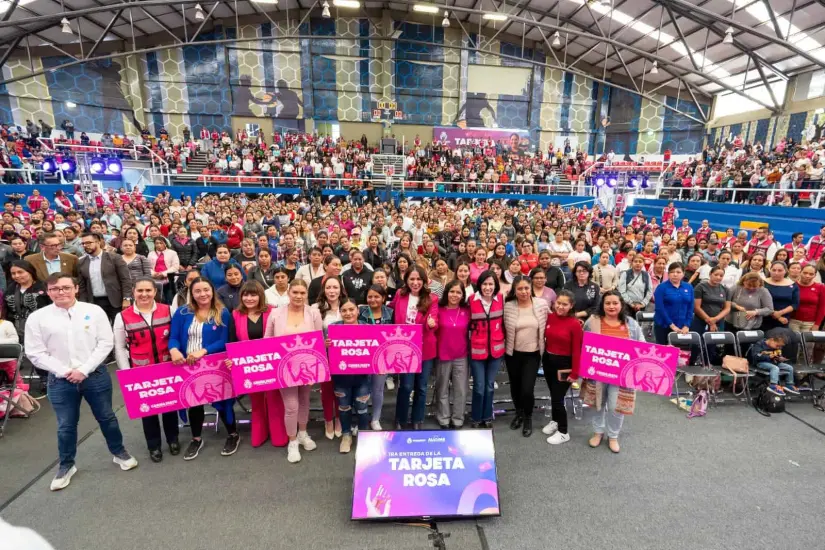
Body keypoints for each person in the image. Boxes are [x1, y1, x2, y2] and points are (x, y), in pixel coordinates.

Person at [25, 273, 138, 491]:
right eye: (55, 289)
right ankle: (67, 464)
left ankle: (119, 452)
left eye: (66, 287)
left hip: (94, 375)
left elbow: (105, 343)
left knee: (107, 417)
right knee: (66, 425)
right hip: (60, 379)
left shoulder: (93, 311)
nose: (61, 292)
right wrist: (66, 371)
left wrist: (84, 370)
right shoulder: (38, 318)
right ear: (48, 291)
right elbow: (35, 352)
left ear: (76, 288)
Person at [168, 277, 238, 460]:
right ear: (192, 293)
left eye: (206, 290)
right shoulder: (182, 312)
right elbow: (174, 336)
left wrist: (204, 351)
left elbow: (224, 341)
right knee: (194, 402)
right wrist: (174, 349)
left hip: (213, 364)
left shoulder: (222, 312)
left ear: (212, 290)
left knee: (222, 400)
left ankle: (233, 435)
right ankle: (196, 438)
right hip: (188, 366)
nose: (203, 294)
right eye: (197, 291)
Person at [113, 277, 180, 462]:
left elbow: (175, 336)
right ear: (133, 292)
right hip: (141, 372)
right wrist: (127, 373)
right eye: (140, 291)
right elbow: (119, 347)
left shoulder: (168, 310)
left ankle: (173, 439)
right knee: (148, 411)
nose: (144, 294)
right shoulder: (123, 316)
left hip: (167, 367)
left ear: (155, 292)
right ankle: (154, 446)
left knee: (170, 408)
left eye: (148, 291)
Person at [264, 278, 323, 463]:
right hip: (285, 368)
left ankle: (303, 433)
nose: (298, 296)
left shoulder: (313, 313)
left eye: (302, 293)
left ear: (306, 294)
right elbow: (267, 340)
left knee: (304, 401)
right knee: (291, 406)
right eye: (295, 292)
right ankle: (292, 441)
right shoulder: (275, 313)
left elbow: (318, 341)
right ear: (289, 293)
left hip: (306, 367)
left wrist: (315, 370)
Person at [582, 291, 645, 454]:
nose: (611, 306)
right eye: (607, 303)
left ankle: (613, 436)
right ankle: (598, 432)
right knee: (597, 405)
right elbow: (584, 345)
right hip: (597, 373)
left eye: (615, 303)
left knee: (615, 406)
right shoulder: (592, 322)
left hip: (622, 376)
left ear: (621, 304)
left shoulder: (631, 323)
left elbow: (643, 346)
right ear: (602, 305)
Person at [228, 281, 287, 448]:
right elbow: (233, 340)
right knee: (256, 401)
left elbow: (280, 337)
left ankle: (279, 434)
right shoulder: (236, 314)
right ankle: (260, 433)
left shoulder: (273, 311)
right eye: (246, 295)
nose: (249, 298)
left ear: (260, 295)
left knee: (274, 399)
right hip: (248, 365)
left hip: (271, 362)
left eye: (253, 294)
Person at [389, 266, 438, 429]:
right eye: (412, 279)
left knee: (421, 387)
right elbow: (389, 310)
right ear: (406, 280)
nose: (415, 282)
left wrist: (432, 324)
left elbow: (434, 320)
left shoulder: (432, 298)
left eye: (419, 279)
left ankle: (417, 419)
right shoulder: (400, 295)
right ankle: (400, 419)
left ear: (424, 281)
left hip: (425, 349)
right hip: (404, 349)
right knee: (406, 386)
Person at [503, 275, 549, 437]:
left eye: (526, 288)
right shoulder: (508, 306)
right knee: (515, 387)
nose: (523, 291)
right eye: (520, 289)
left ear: (531, 289)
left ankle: (528, 417)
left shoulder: (542, 305)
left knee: (527, 390)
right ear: (514, 291)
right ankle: (519, 413)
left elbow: (552, 322)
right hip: (512, 354)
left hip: (533, 354)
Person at [328, 299, 370, 453]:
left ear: (358, 311)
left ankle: (365, 436)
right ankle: (346, 435)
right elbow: (325, 352)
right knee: (344, 407)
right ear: (340, 312)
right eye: (344, 310)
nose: (348, 313)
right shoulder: (333, 328)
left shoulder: (367, 328)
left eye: (351, 309)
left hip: (362, 378)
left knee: (362, 407)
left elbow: (375, 350)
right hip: (341, 378)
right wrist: (326, 345)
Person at [542, 290, 582, 445]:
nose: (560, 306)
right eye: (558, 303)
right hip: (548, 360)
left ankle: (564, 431)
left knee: (558, 398)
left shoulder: (574, 324)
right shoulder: (550, 317)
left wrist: (575, 372)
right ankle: (555, 420)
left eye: (565, 304)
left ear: (571, 305)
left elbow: (577, 350)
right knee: (553, 394)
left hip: (565, 364)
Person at [467, 270, 505, 428]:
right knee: (479, 386)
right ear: (479, 285)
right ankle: (476, 417)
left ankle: (487, 416)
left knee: (490, 386)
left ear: (495, 285)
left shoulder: (501, 299)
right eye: (485, 284)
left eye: (491, 284)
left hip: (496, 351)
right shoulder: (471, 300)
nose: (488, 287)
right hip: (477, 351)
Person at [435, 279, 470, 429]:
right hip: (442, 355)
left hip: (461, 355)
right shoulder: (438, 309)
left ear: (463, 295)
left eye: (458, 292)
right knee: (442, 388)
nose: (455, 295)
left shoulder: (467, 311)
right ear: (446, 293)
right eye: (452, 291)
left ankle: (458, 417)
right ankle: (443, 417)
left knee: (460, 389)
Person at [313, 275, 344, 439]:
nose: (332, 291)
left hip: (344, 357)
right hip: (324, 355)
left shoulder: (346, 306)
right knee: (326, 390)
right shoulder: (315, 308)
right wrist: (320, 343)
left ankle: (339, 418)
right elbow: (311, 334)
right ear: (324, 290)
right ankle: (328, 420)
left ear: (340, 289)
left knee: (340, 389)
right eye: (329, 288)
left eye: (335, 287)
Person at [77, 232, 133, 322]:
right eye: (83, 243)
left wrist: (126, 298)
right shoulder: (81, 262)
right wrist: (83, 304)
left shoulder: (114, 258)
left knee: (119, 329)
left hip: (115, 301)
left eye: (88, 243)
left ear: (98, 242)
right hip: (94, 302)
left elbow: (126, 279)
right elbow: (82, 286)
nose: (85, 245)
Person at [652, 262, 694, 345]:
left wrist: (687, 325)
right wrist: (671, 325)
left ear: (683, 273)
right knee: (663, 352)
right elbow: (659, 308)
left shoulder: (688, 287)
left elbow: (690, 307)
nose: (675, 274)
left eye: (678, 272)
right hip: (664, 325)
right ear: (668, 273)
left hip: (682, 326)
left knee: (681, 353)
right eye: (672, 272)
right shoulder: (662, 287)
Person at [790, 264, 825, 362]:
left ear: (815, 275)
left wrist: (817, 324)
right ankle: (793, 372)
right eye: (805, 273)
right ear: (800, 272)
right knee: (793, 348)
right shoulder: (792, 285)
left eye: (811, 274)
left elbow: (822, 307)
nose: (807, 276)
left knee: (807, 349)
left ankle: (804, 375)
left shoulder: (820, 287)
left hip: (810, 323)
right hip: (793, 321)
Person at [748, 332, 800, 396]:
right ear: (772, 340)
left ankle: (789, 384)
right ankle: (773, 385)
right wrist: (768, 357)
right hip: (760, 362)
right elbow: (756, 356)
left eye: (780, 346)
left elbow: (777, 355)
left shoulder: (777, 347)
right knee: (775, 368)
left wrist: (780, 358)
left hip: (773, 362)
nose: (779, 347)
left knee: (789, 368)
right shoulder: (759, 344)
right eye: (777, 345)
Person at [761, 261, 799, 333]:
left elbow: (795, 304)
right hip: (764, 319)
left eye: (780, 270)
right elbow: (758, 301)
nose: (776, 273)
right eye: (774, 270)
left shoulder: (792, 285)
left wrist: (780, 313)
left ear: (785, 271)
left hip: (783, 320)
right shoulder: (762, 283)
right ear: (770, 270)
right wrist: (776, 315)